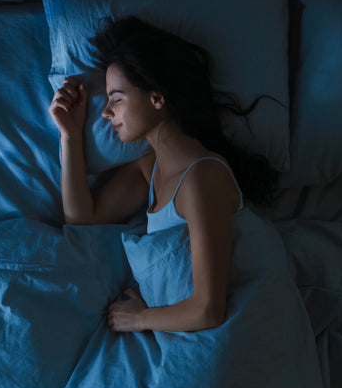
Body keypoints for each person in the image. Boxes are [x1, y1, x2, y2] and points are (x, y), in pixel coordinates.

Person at [48, 17, 278, 334]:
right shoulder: (149, 167)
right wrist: (70, 135)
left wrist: (139, 318)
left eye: (117, 98)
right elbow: (82, 220)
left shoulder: (202, 177)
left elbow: (209, 310)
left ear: (156, 98)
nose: (105, 111)